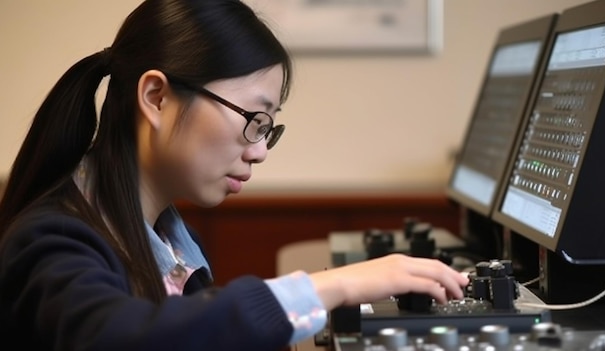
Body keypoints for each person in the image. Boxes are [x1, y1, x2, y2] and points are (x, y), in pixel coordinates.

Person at [0, 0, 469, 350]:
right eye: (254, 119)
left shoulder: (173, 243)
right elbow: (120, 338)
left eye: (269, 128)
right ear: (157, 98)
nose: (261, 151)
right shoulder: (51, 240)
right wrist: (338, 285)